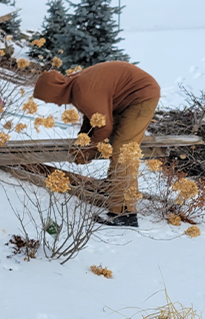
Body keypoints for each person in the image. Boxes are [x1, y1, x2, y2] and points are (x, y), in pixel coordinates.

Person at [33, 61, 160, 227]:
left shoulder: (82, 89)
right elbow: (92, 116)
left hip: (140, 97)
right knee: (118, 149)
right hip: (124, 99)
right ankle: (115, 193)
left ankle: (124, 213)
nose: (55, 104)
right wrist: (83, 140)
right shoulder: (75, 85)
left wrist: (89, 151)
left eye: (50, 99)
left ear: (55, 92)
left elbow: (104, 127)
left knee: (124, 152)